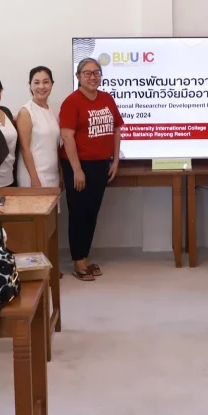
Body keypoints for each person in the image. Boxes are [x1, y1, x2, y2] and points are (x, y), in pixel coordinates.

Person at [60, 58, 123, 281]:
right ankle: (79, 261)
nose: (93, 77)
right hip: (78, 165)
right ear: (78, 76)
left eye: (96, 72)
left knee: (92, 213)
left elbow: (116, 129)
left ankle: (84, 257)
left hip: (101, 164)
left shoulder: (107, 98)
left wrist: (115, 160)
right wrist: (77, 170)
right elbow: (67, 136)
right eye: (87, 73)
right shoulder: (72, 102)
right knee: (79, 213)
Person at [16, 66, 61, 188]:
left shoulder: (53, 111)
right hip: (33, 176)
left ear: (52, 84)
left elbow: (55, 145)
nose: (41, 86)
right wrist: (34, 178)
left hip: (52, 173)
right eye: (36, 82)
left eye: (46, 82)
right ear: (30, 86)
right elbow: (24, 148)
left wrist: (60, 173)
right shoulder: (26, 112)